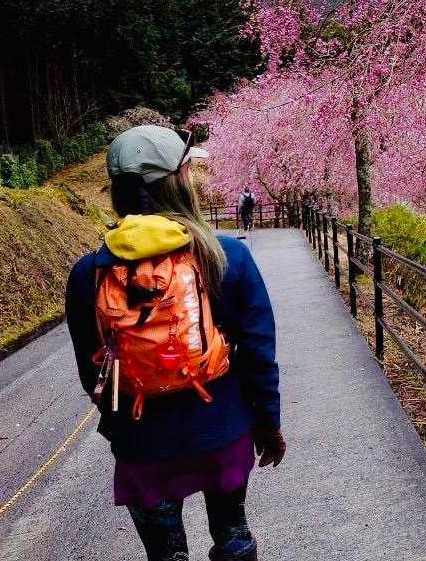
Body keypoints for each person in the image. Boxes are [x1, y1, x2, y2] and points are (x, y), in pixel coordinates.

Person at [65, 125, 285, 561]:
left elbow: (92, 372)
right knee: (232, 534)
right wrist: (268, 422)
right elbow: (258, 354)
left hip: (143, 442)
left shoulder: (89, 274)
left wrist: (119, 428)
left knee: (165, 556)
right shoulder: (225, 256)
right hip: (222, 429)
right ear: (178, 182)